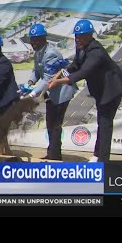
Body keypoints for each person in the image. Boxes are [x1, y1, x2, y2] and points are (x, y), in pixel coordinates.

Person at [48, 19, 122, 162]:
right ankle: (98, 154)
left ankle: (103, 161)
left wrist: (58, 82)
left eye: (82, 36)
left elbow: (82, 73)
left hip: (112, 89)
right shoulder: (81, 47)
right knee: (101, 121)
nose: (78, 39)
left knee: (105, 123)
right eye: (76, 36)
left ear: (90, 35)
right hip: (100, 89)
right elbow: (75, 66)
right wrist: (60, 73)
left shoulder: (96, 52)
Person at [26, 24, 77, 160]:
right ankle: (52, 153)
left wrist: (32, 94)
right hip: (51, 92)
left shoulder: (51, 53)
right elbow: (37, 71)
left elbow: (48, 78)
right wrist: (30, 83)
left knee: (55, 125)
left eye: (37, 39)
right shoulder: (38, 52)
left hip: (61, 93)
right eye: (32, 39)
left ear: (44, 39)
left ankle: (54, 157)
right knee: (50, 123)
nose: (34, 43)